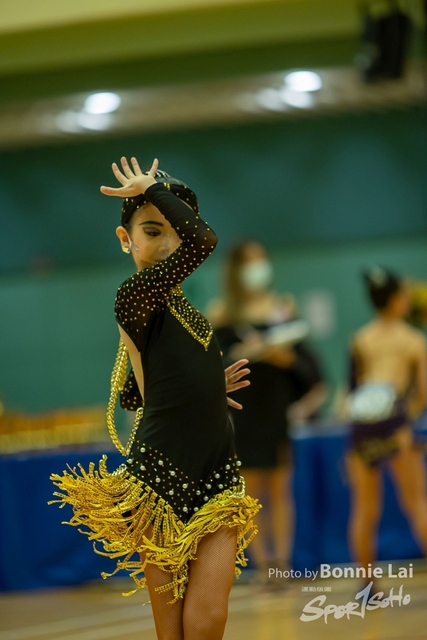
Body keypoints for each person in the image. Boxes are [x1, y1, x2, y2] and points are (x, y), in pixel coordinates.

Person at [50, 157, 261, 640]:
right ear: (125, 240)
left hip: (218, 473)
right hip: (160, 475)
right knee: (174, 630)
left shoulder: (185, 309)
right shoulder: (134, 294)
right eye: (151, 231)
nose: (169, 242)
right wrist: (152, 188)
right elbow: (205, 241)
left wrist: (205, 385)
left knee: (207, 620)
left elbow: (134, 393)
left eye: (174, 231)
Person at [207, 240, 327, 585]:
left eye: (261, 259)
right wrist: (245, 351)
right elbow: (214, 363)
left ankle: (282, 564)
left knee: (280, 486)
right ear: (235, 269)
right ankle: (263, 567)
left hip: (276, 406)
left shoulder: (283, 306)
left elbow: (305, 363)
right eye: (250, 261)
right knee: (251, 491)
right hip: (243, 408)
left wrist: (283, 357)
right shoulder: (222, 312)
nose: (257, 267)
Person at [347, 266, 427, 582]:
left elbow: (353, 389)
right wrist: (410, 422)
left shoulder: (360, 338)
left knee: (365, 509)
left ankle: (367, 584)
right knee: (416, 502)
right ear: (397, 300)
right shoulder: (413, 340)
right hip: (394, 418)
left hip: (363, 423)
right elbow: (423, 393)